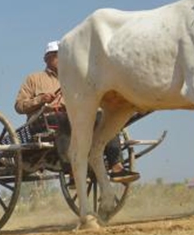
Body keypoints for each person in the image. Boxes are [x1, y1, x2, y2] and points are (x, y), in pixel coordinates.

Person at [14, 41, 137, 182]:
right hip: (43, 121)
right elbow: (19, 106)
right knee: (64, 119)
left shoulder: (76, 79)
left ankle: (116, 166)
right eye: (56, 56)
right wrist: (41, 100)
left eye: (65, 56)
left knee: (104, 119)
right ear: (46, 59)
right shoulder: (34, 79)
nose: (62, 59)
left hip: (74, 118)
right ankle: (73, 170)